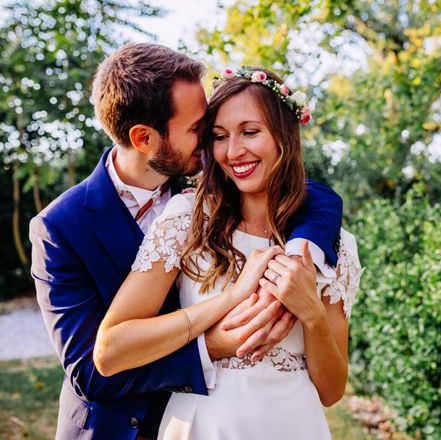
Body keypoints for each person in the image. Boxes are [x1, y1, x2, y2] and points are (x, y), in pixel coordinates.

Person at [29, 44, 343, 440]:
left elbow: (302, 189)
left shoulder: (206, 179)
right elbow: (92, 373)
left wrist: (303, 251)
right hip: (121, 428)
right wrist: (215, 345)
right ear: (144, 138)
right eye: (202, 129)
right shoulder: (59, 228)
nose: (218, 144)